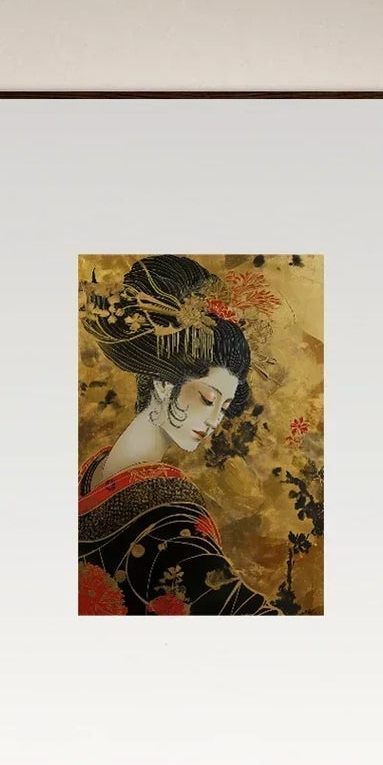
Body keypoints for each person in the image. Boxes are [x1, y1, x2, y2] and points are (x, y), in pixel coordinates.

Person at [78, 255, 276, 616]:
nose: (216, 419)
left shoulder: (98, 482)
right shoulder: (171, 528)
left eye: (225, 406)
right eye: (207, 398)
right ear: (162, 383)